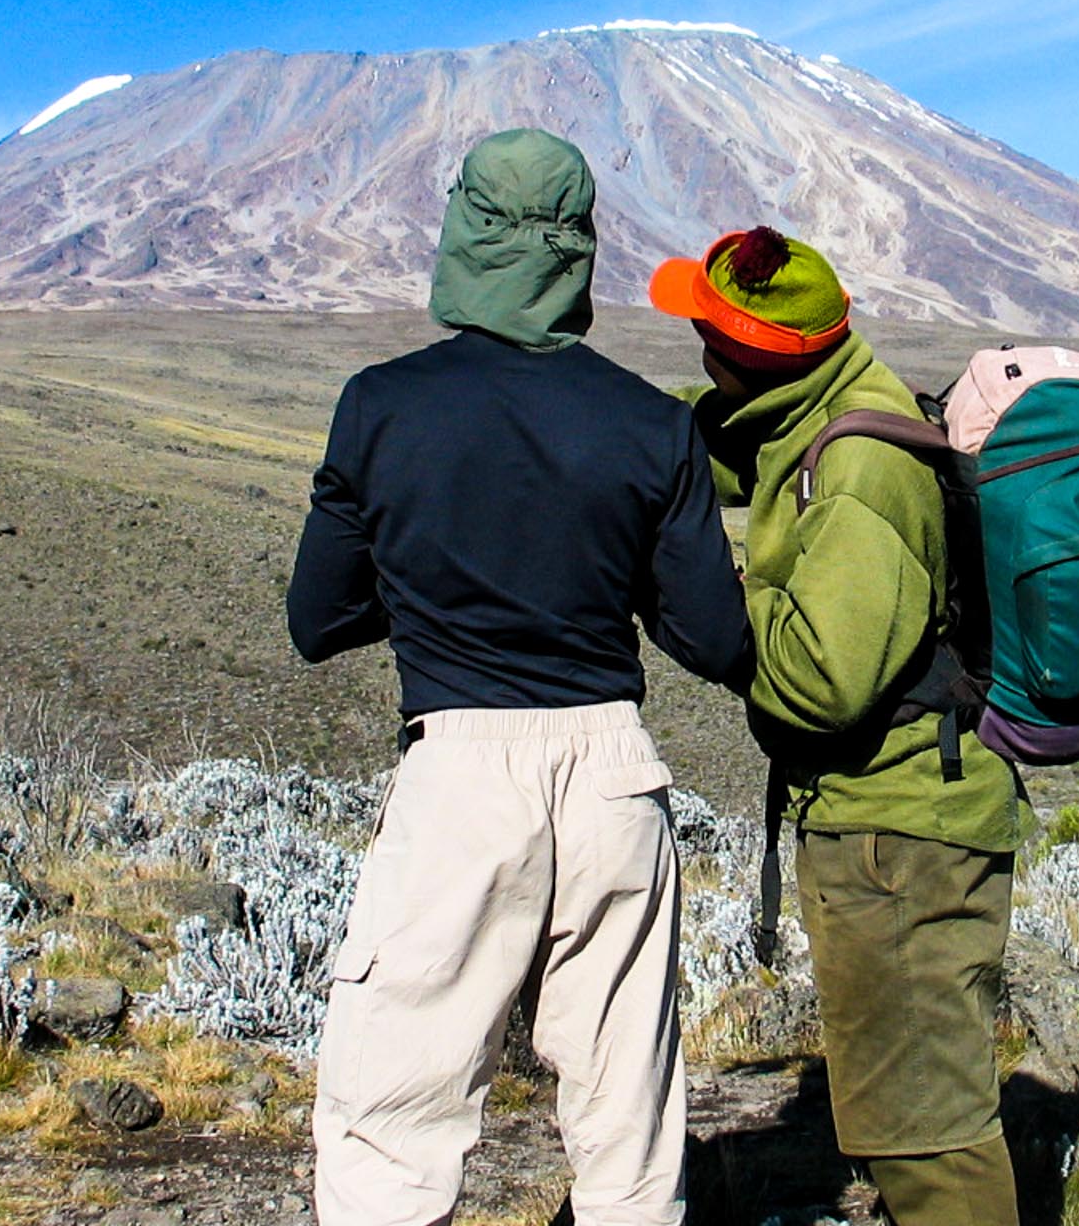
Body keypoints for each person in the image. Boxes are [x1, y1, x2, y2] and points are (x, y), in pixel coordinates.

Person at [288, 128, 754, 1226]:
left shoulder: (380, 406)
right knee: (626, 1117)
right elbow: (716, 641)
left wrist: (428, 590)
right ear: (579, 251)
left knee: (392, 1116)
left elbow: (318, 620)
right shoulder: (650, 424)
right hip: (611, 781)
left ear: (464, 235)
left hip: (457, 779)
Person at [647, 227, 1034, 1226]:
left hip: (903, 834)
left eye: (705, 333)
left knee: (926, 1138)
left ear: (754, 356)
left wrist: (715, 603)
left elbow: (823, 684)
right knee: (911, 1114)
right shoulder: (808, 410)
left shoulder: (859, 469)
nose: (695, 344)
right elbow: (729, 446)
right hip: (888, 822)